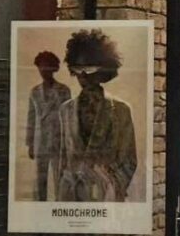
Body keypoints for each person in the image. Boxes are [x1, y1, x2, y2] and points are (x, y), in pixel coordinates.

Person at [56, 30, 138, 202]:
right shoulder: (65, 110)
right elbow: (62, 160)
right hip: (70, 201)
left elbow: (129, 161)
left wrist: (110, 188)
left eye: (89, 68)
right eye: (78, 68)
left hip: (107, 201)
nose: (83, 75)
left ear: (102, 69)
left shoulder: (121, 110)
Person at [25, 50, 71, 201]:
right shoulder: (34, 92)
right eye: (41, 67)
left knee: (60, 179)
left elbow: (68, 118)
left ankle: (59, 208)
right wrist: (30, 144)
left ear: (54, 68)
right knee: (40, 182)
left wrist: (69, 144)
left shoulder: (64, 91)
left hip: (58, 142)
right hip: (40, 143)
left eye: (47, 66)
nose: (44, 70)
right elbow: (31, 118)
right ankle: (40, 209)